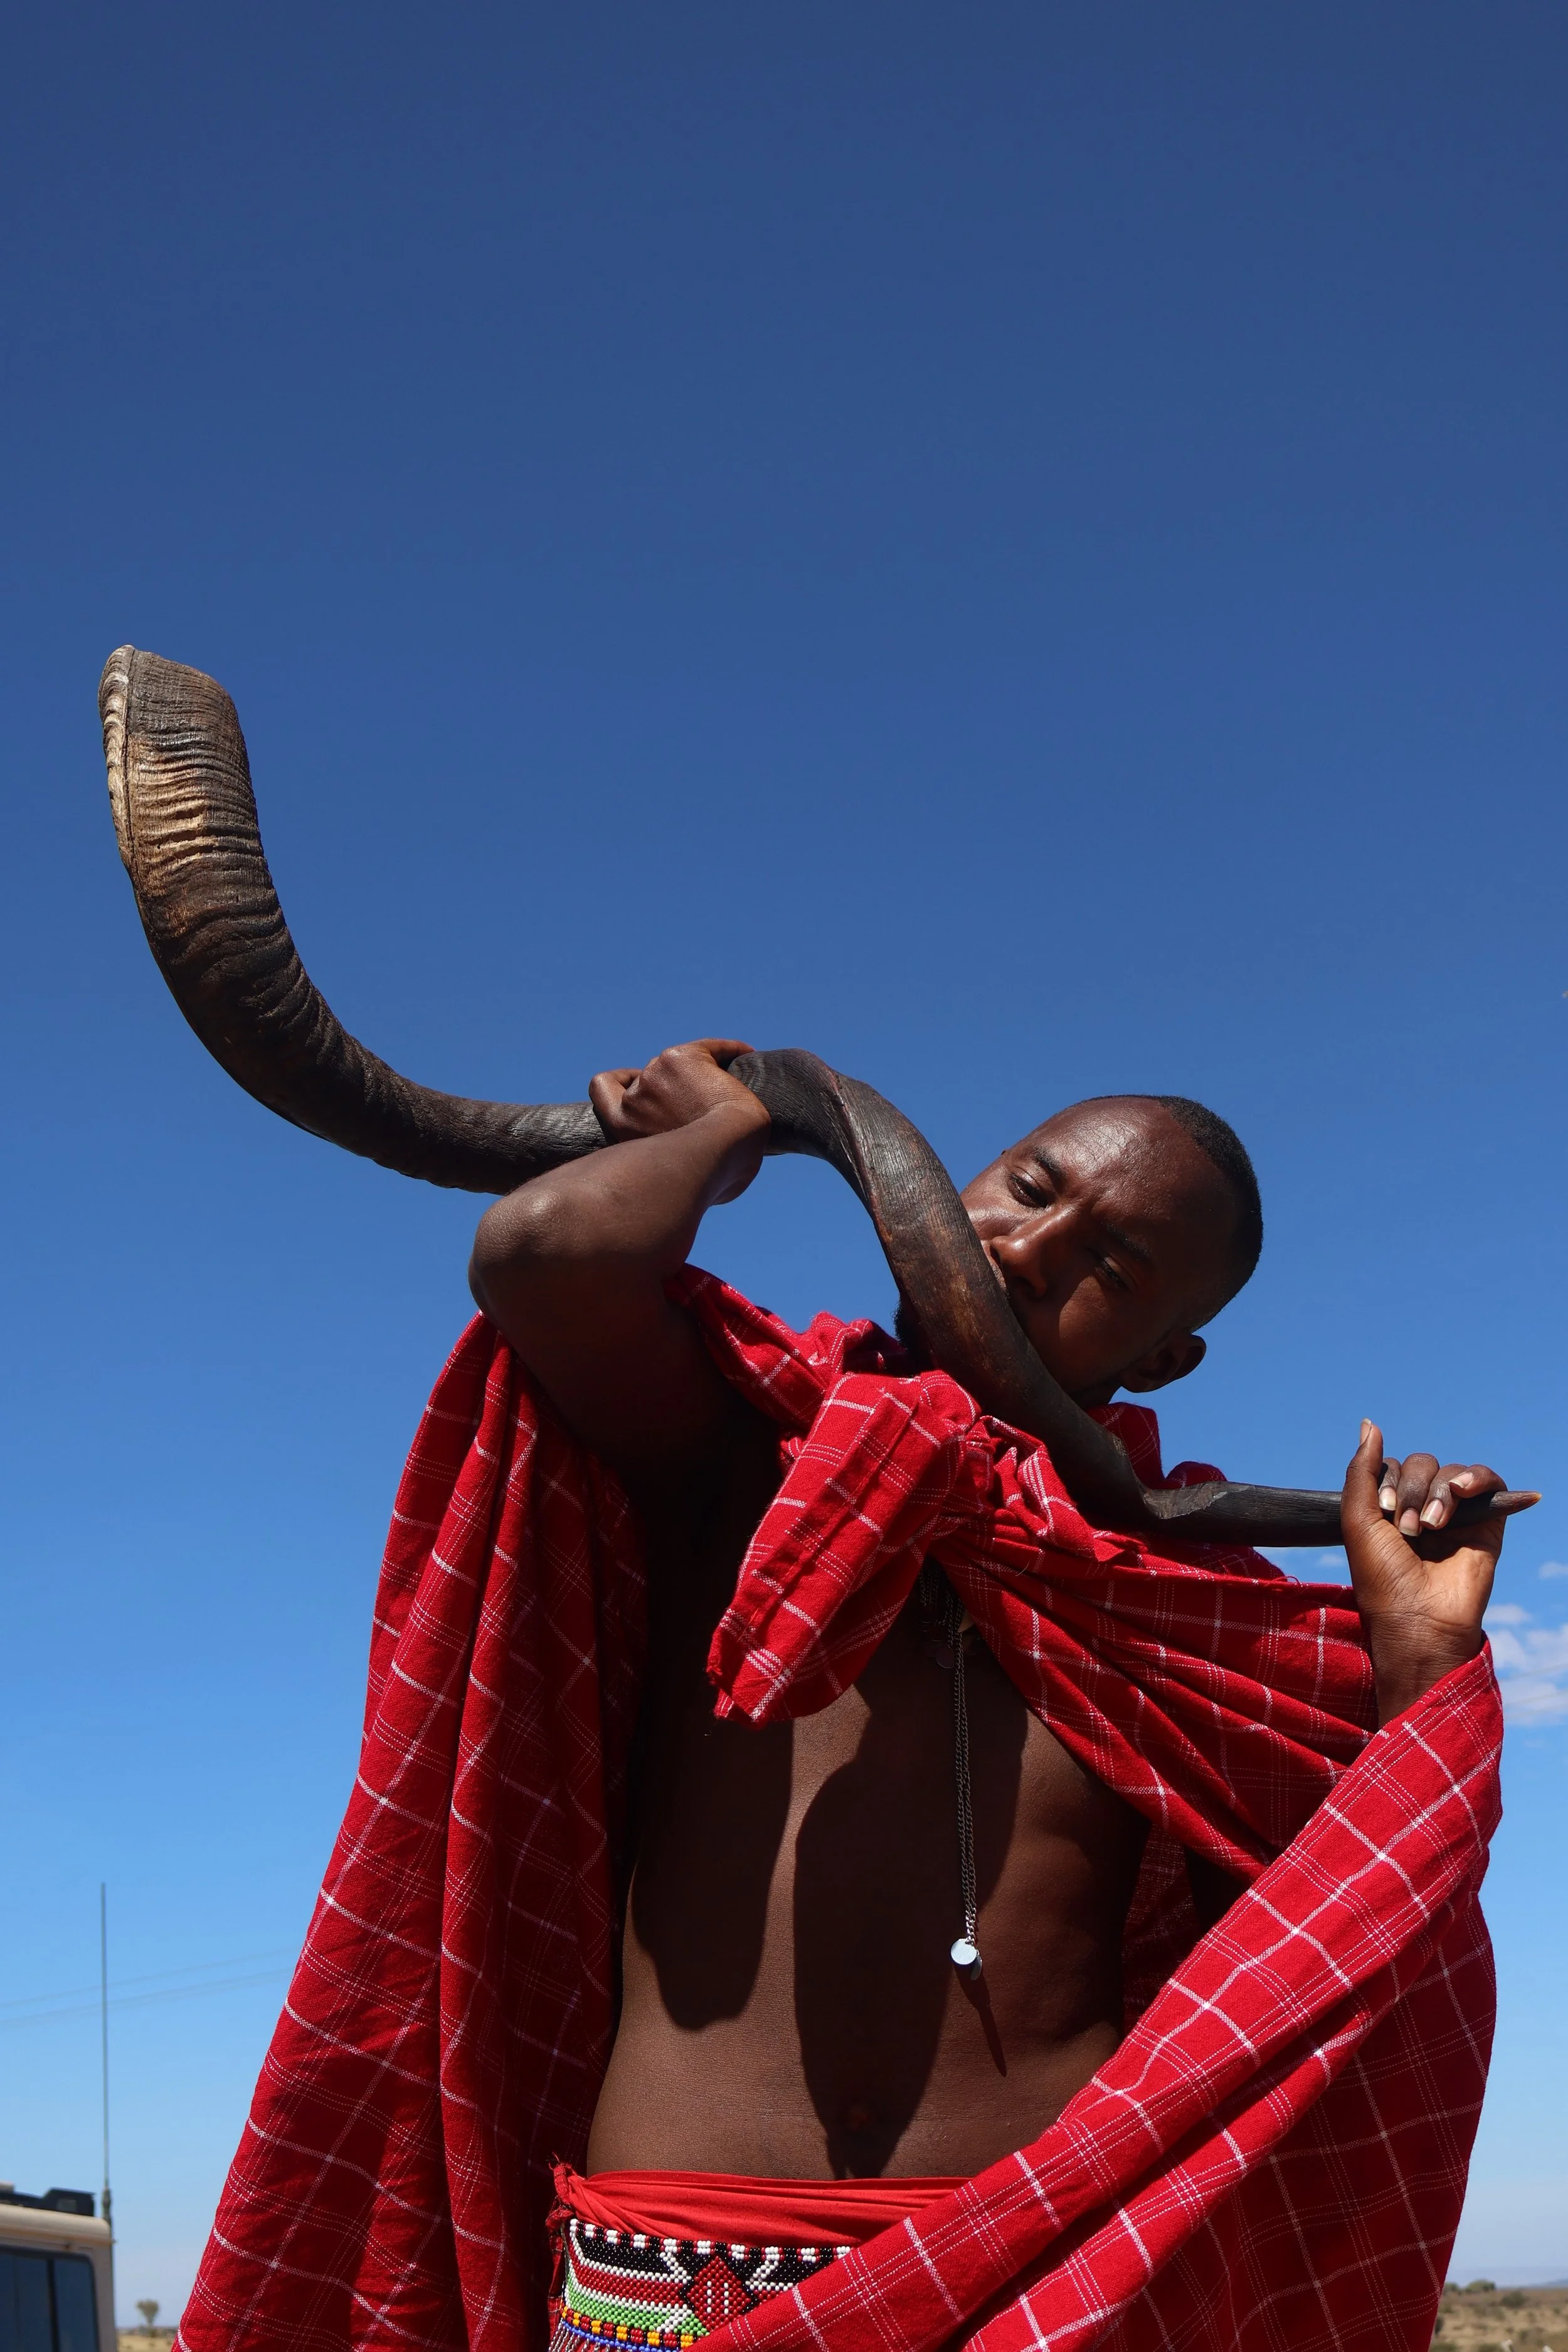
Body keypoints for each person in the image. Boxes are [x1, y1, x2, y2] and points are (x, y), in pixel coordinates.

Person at [466, 1038, 1508, 2346]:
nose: (1024, 1251)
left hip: (1029, 2276)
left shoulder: (1179, 1595)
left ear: (1163, 1358)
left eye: (1105, 1267)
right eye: (1025, 1187)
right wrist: (718, 1136)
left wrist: (1414, 1647)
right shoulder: (746, 1449)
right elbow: (540, 1255)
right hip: (665, 2265)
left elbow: (1357, 1912)